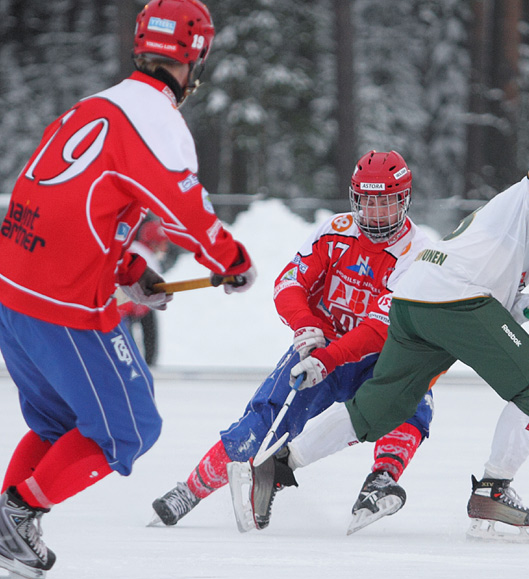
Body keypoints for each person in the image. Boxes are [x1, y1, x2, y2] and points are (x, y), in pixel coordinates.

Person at [0, 0, 258, 579]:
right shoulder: (157, 120)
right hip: (63, 305)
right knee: (130, 428)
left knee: (56, 425)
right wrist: (231, 261)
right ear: (194, 60)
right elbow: (187, 211)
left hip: (12, 291)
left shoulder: (95, 107)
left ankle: (9, 522)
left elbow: (71, 202)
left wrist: (127, 267)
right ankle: (15, 516)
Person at [240, 148, 529, 543]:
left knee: (382, 406)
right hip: (457, 298)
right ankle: (492, 492)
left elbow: (500, 295)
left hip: (417, 297)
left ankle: (278, 465)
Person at [151, 150, 435, 536]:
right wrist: (304, 326)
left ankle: (382, 477)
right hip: (323, 345)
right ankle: (190, 490)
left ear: (403, 201)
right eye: (366, 202)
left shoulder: (418, 254)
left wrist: (330, 357)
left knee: (416, 394)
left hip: (379, 357)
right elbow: (289, 284)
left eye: (384, 203)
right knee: (266, 415)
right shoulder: (335, 231)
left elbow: (379, 328)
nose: (374, 214)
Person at [118, 219, 171, 366]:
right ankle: (147, 364)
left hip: (125, 307)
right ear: (153, 243)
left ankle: (145, 362)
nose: (165, 249)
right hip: (121, 310)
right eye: (162, 244)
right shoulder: (144, 257)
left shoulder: (136, 250)